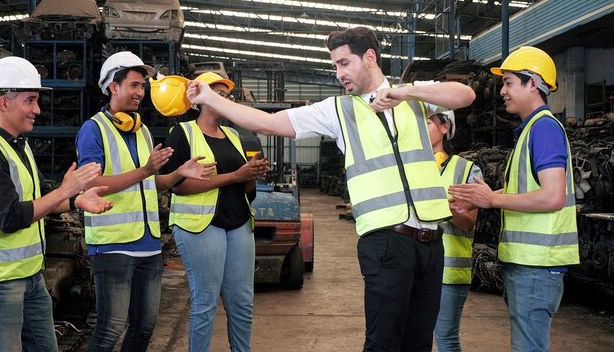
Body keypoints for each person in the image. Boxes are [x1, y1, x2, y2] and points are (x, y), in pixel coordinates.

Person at [185, 27, 476, 352]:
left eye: (344, 63)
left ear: (369, 58)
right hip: (386, 242)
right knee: (383, 343)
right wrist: (210, 98)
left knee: (420, 344)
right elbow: (267, 123)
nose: (338, 74)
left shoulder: (414, 98)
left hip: (432, 244)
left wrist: (407, 92)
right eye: (334, 66)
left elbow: (465, 96)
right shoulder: (338, 111)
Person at [0, 56, 114, 352]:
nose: (37, 110)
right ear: (4, 102)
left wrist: (76, 199)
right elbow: (10, 218)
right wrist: (65, 190)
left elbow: (40, 198)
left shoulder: (18, 145)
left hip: (28, 276)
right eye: (30, 100)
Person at [75, 51, 215, 352]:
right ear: (113, 86)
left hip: (149, 245)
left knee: (144, 329)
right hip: (113, 246)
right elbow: (89, 185)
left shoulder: (142, 131)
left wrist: (178, 172)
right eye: (135, 85)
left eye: (143, 87)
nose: (141, 93)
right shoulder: (93, 130)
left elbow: (151, 185)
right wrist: (146, 170)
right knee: (109, 330)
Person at [448, 46, 579, 352]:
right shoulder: (531, 130)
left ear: (532, 83)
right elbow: (528, 189)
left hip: (537, 265)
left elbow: (552, 196)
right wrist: (483, 197)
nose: (503, 92)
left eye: (508, 83)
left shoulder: (544, 129)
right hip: (528, 265)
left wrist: (491, 201)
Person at [161, 72, 270, 352]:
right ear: (200, 99)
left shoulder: (234, 135)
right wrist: (235, 175)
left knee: (242, 302)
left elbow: (246, 189)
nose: (226, 100)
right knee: (205, 302)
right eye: (219, 95)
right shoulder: (182, 133)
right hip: (200, 226)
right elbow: (179, 186)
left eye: (227, 96)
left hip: (238, 223)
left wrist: (252, 174)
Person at [426, 110, 482, 352]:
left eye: (427, 122)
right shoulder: (407, 168)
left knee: (445, 339)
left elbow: (469, 222)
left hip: (449, 271)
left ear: (444, 127)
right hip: (414, 268)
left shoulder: (467, 170)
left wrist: (441, 206)